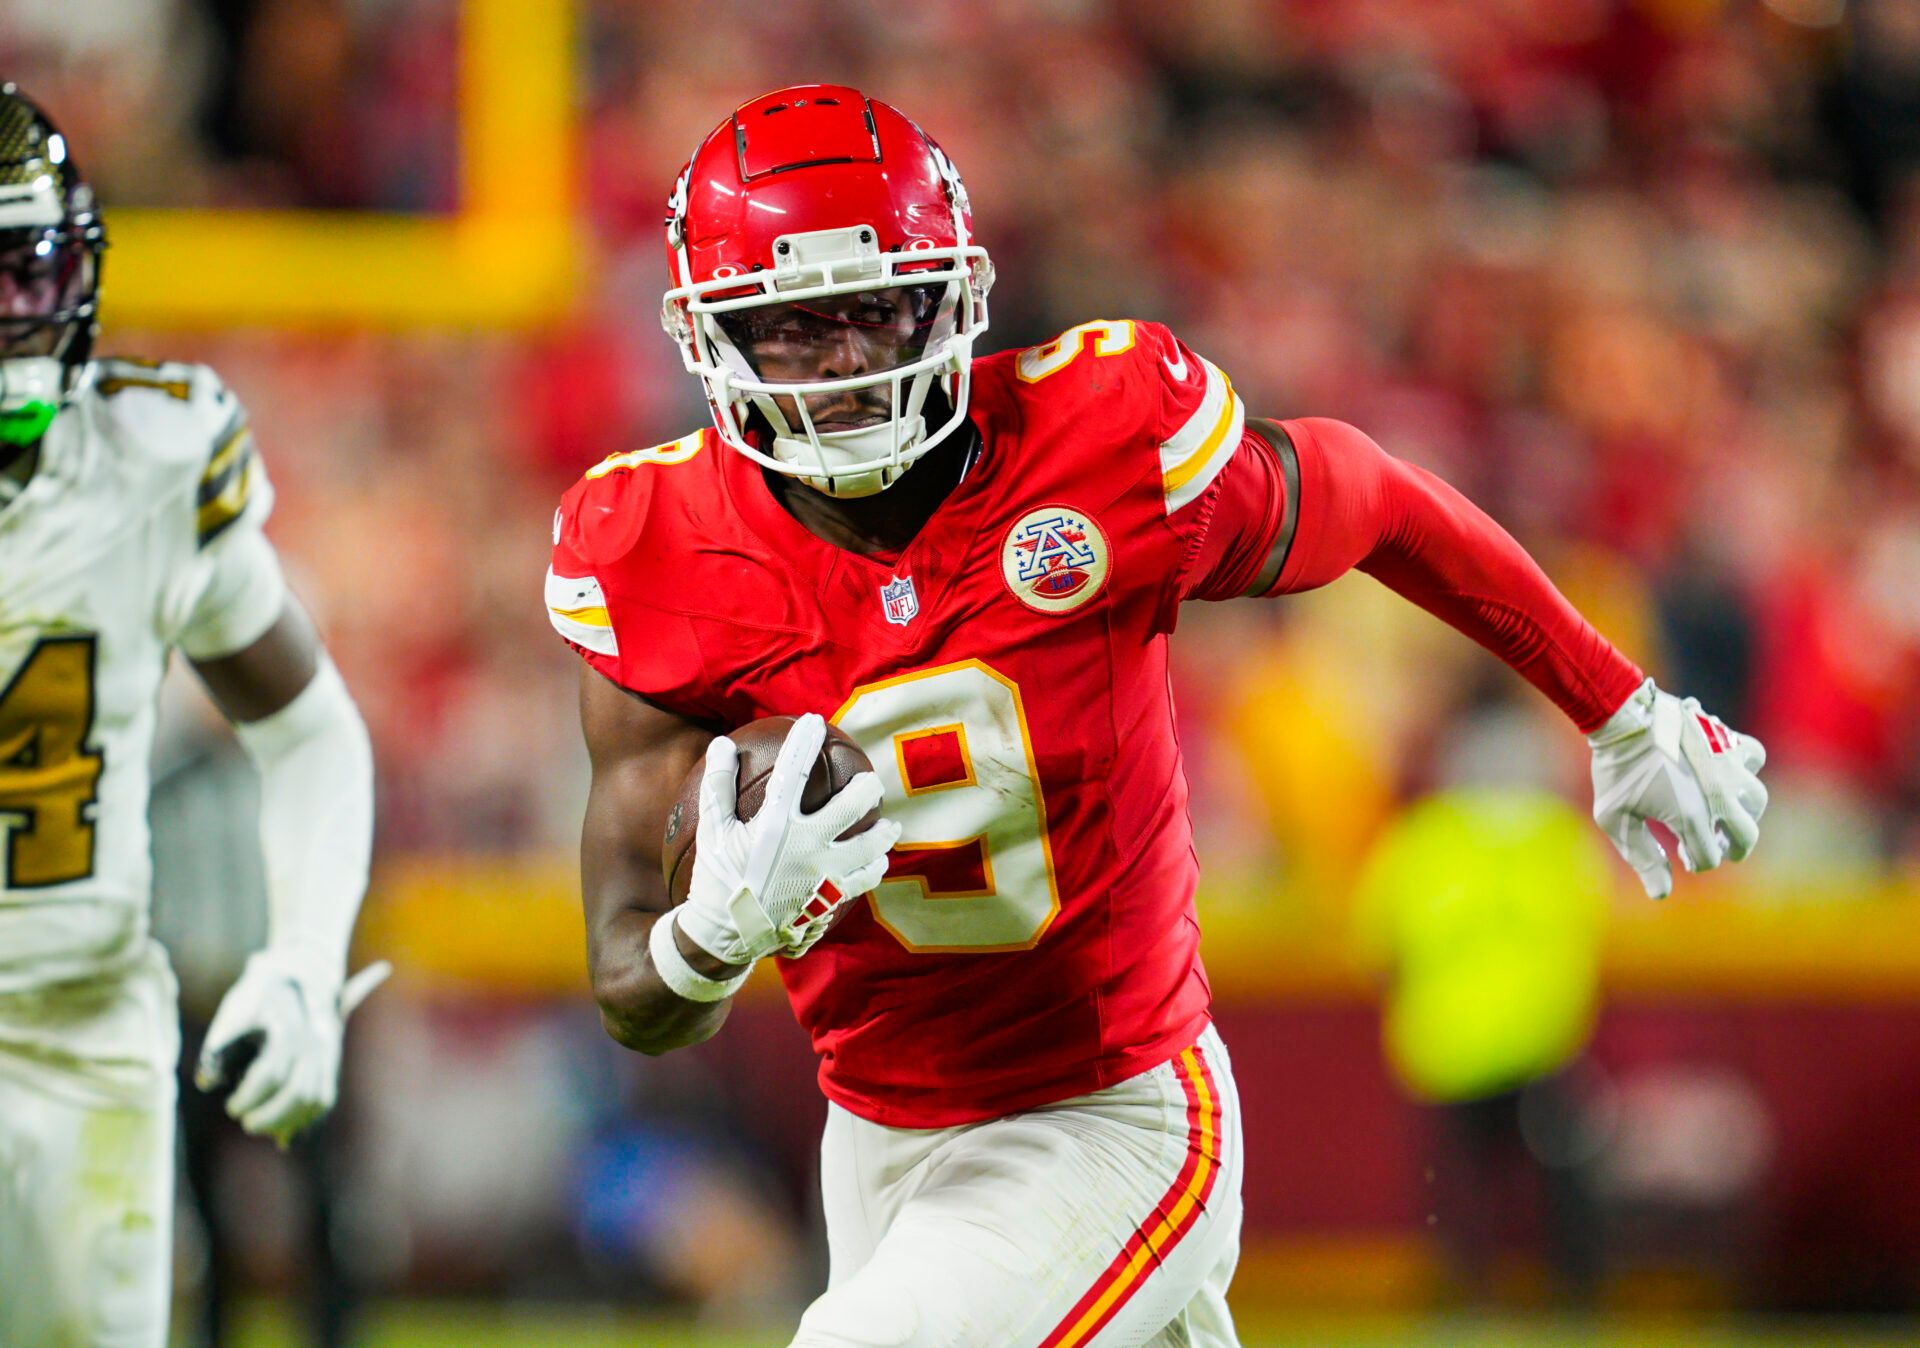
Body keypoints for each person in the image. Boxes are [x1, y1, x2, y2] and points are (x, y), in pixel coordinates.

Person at [546, 84, 1770, 1347]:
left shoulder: (1102, 439)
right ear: (708, 338)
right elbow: (633, 991)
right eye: (793, 326)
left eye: (876, 309)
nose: (847, 361)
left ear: (953, 294)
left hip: (1113, 1108)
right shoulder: (650, 547)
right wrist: (717, 930)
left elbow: (1378, 500)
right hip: (876, 1135)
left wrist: (1618, 706)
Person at [0, 86, 382, 1345]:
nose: (9, 318)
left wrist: (304, 959)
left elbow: (307, 727)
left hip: (76, 1029)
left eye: (28, 272)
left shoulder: (152, 463)